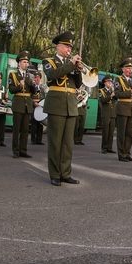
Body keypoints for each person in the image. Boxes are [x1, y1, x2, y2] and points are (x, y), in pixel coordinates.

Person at [43, 30, 83, 185]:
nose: (69, 49)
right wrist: (71, 64)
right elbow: (52, 75)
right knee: (55, 142)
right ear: (58, 46)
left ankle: (66, 173)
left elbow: (78, 84)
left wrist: (78, 70)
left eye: (70, 47)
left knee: (68, 144)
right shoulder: (48, 61)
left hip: (71, 106)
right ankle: (54, 174)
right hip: (56, 105)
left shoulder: (70, 65)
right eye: (66, 46)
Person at [9, 51, 36, 158]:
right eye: (24, 62)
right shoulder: (13, 75)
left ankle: (23, 150)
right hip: (18, 103)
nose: (26, 64)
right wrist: (20, 86)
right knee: (17, 129)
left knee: (25, 130)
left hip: (27, 104)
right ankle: (15, 151)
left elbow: (33, 92)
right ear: (19, 63)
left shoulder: (30, 76)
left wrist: (33, 85)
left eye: (27, 62)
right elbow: (11, 90)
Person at [114, 57, 132, 162]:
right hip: (122, 108)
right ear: (123, 69)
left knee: (129, 133)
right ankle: (121, 154)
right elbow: (117, 94)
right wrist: (131, 91)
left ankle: (127, 153)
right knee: (122, 133)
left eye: (131, 68)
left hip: (131, 109)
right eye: (127, 68)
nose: (130, 70)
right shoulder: (118, 79)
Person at [98, 75, 117, 154]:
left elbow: (116, 99)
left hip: (112, 114)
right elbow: (103, 100)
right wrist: (111, 95)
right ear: (105, 83)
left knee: (111, 132)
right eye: (108, 82)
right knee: (105, 132)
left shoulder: (112, 91)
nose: (110, 83)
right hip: (105, 114)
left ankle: (109, 147)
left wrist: (114, 93)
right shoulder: (101, 91)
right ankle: (104, 148)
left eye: (111, 82)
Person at [30, 73, 47, 145]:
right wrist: (33, 103)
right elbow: (29, 97)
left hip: (40, 108)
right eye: (35, 77)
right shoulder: (31, 87)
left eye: (38, 78)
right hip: (34, 107)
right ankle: (33, 140)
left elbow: (43, 98)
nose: (37, 79)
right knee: (34, 124)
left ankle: (39, 140)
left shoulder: (42, 88)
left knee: (40, 124)